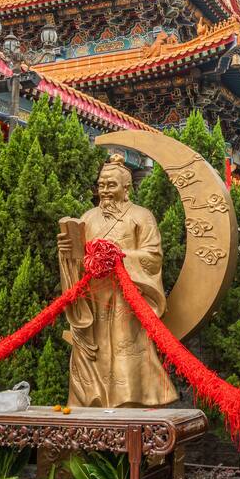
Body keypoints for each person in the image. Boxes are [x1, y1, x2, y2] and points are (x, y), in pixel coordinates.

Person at [57, 154, 178, 408]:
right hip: (92, 301)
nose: (105, 191)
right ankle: (90, 400)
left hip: (127, 299)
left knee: (127, 351)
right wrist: (67, 252)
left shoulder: (141, 216)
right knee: (92, 353)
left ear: (126, 188)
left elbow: (153, 257)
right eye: (101, 185)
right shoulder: (88, 217)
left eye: (111, 185)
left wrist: (118, 257)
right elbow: (78, 260)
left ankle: (134, 399)